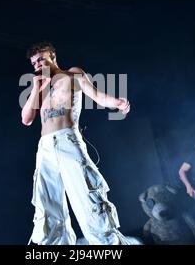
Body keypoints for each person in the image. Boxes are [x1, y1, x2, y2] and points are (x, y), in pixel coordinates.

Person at [21, 41, 130, 245]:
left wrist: (117, 102)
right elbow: (26, 119)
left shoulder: (72, 74)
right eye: (34, 62)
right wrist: (36, 88)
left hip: (67, 141)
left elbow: (97, 96)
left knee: (88, 200)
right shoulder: (39, 87)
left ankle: (110, 246)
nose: (37, 64)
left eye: (41, 58)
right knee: (47, 209)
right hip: (44, 148)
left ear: (52, 55)